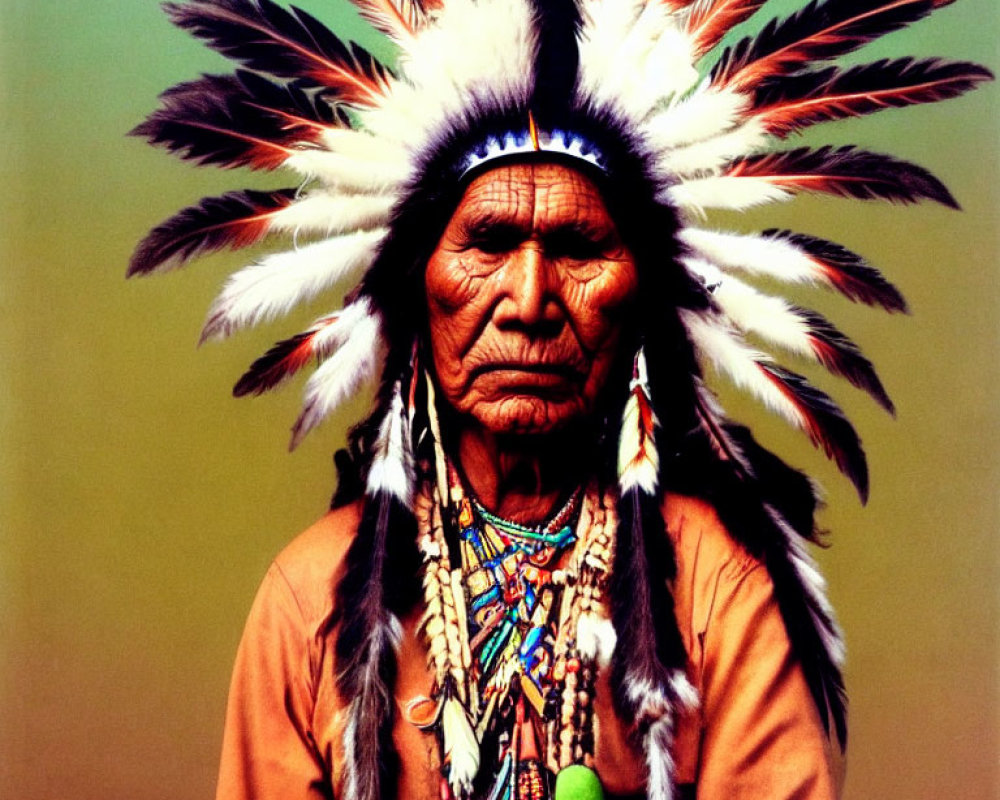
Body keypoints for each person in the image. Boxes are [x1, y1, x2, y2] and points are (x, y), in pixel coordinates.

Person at [130, 1, 989, 798]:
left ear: (641, 302)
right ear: (417, 292)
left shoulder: (720, 594)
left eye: (578, 246)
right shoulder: (311, 598)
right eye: (490, 242)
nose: (532, 299)